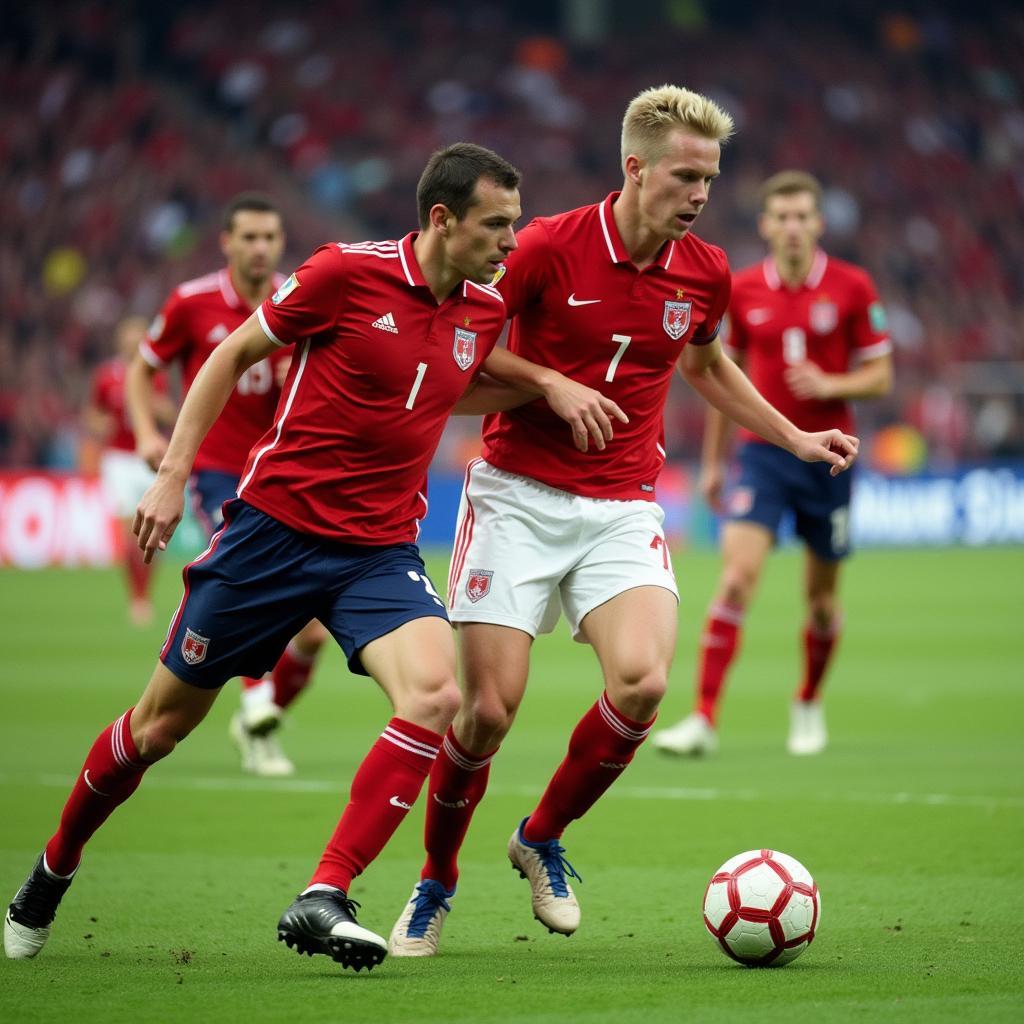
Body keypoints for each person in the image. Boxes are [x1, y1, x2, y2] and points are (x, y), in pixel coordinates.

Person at [3, 142, 624, 972]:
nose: (511, 242)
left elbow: (470, 366)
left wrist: (548, 383)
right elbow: (231, 355)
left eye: (515, 224)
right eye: (497, 225)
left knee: (438, 695)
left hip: (378, 551)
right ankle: (52, 870)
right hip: (271, 535)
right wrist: (170, 474)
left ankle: (325, 892)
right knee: (156, 730)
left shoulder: (480, 310)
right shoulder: (343, 274)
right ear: (442, 219)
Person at [387, 88, 859, 958]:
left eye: (711, 178)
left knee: (641, 684)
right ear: (635, 168)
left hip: (622, 503)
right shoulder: (543, 248)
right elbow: (461, 353)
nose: (701, 193)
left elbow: (708, 365)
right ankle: (435, 881)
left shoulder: (705, 268)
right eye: (686, 174)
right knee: (487, 712)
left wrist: (791, 435)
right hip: (516, 497)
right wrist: (549, 384)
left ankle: (540, 836)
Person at [653, 170, 892, 758]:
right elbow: (717, 377)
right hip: (763, 456)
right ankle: (703, 718)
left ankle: (807, 698)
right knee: (736, 578)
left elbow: (881, 376)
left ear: (818, 223)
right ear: (765, 225)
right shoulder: (741, 289)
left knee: (821, 601)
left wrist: (830, 381)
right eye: (780, 217)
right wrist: (713, 464)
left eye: (801, 217)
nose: (791, 227)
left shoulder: (853, 286)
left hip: (831, 457)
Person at [127, 192, 325, 777]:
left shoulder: (302, 295)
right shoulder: (191, 302)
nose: (261, 248)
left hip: (285, 471)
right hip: (218, 471)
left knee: (313, 633)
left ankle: (259, 719)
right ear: (227, 242)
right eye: (250, 237)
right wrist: (145, 431)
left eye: (270, 237)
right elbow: (143, 368)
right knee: (246, 575)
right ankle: (254, 697)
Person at [82, 316, 176, 626]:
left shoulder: (154, 374)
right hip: (119, 460)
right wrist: (100, 425)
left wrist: (158, 408)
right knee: (127, 535)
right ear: (120, 341)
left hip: (148, 458)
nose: (134, 342)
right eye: (129, 337)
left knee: (152, 533)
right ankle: (136, 598)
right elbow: (93, 415)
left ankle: (145, 594)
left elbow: (168, 413)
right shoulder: (106, 376)